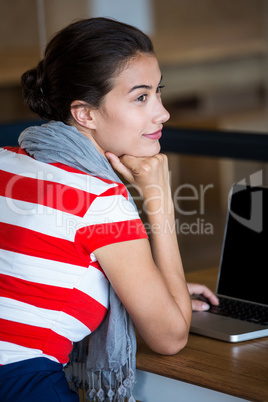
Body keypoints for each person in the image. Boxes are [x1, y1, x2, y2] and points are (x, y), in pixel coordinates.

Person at [0, 18, 218, 401]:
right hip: (21, 385)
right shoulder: (100, 200)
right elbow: (170, 337)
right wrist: (160, 202)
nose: (162, 113)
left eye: (158, 92)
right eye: (140, 97)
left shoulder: (7, 161)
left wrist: (159, 289)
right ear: (85, 114)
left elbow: (31, 273)